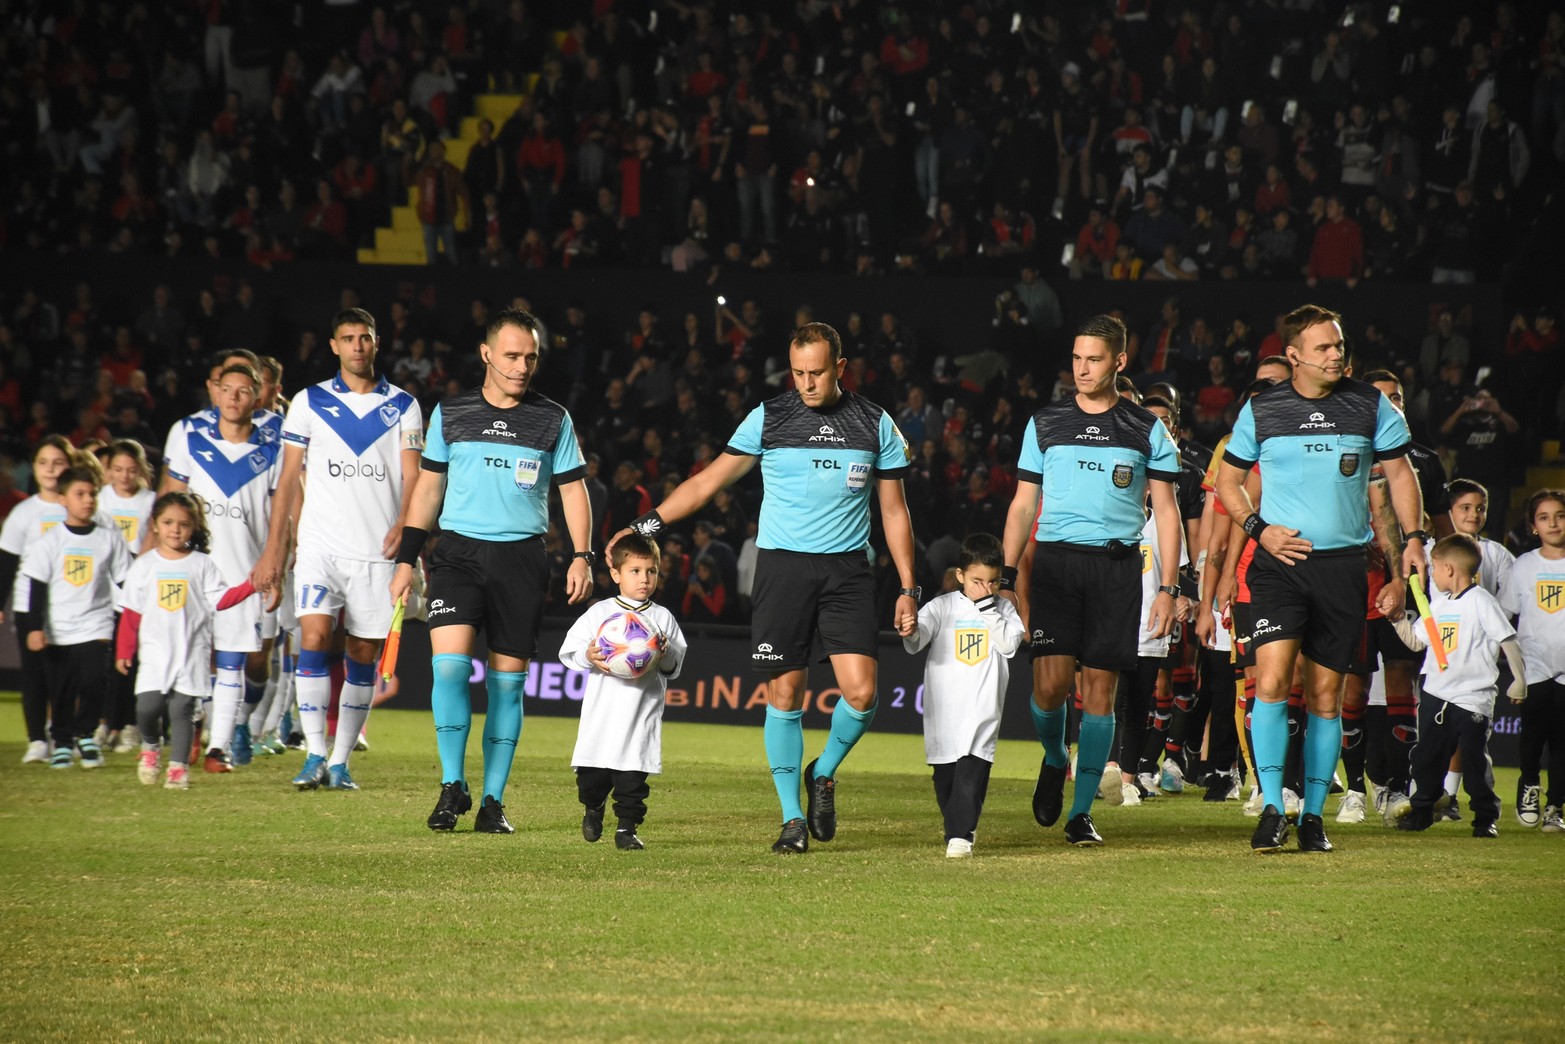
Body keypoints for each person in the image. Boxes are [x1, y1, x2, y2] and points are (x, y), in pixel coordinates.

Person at [606, 322, 921, 855]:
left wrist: (909, 586)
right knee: (784, 694)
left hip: (847, 573)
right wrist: (646, 526)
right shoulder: (770, 417)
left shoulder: (875, 422)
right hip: (782, 571)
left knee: (863, 694)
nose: (807, 382)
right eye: (798, 372)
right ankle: (792, 820)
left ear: (840, 368)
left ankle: (822, 770)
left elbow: (894, 511)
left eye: (817, 372)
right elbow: (708, 482)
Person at [1215, 304, 1427, 854]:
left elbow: (1400, 475)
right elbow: (1229, 484)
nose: (1338, 355)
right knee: (1270, 683)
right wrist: (1260, 530)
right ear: (1295, 356)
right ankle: (1269, 807)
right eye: (1325, 348)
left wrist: (1414, 541)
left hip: (1342, 568)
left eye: (1339, 345)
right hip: (1279, 567)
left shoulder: (1370, 403)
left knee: (1326, 697)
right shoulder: (1263, 410)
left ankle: (1312, 817)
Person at [390, 307, 594, 833]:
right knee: (451, 669)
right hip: (457, 554)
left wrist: (581, 555)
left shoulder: (553, 418)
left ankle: (493, 802)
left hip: (522, 559)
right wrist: (406, 559)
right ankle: (451, 785)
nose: (522, 366)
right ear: (486, 354)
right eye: (511, 355)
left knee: (507, 686)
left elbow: (573, 489)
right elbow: (428, 489)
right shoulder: (450, 413)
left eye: (530, 357)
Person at [1000, 314, 1182, 847]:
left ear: (1119, 362)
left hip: (1116, 568)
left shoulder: (1147, 430)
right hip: (1056, 566)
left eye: (1094, 359)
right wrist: (1009, 576)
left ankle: (1081, 815)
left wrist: (1169, 588)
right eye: (1077, 358)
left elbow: (1167, 513)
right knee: (1051, 687)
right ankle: (1056, 758)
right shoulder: (1045, 423)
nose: (1082, 369)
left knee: (1099, 692)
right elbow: (1021, 504)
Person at [253, 307, 423, 792]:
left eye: (364, 338)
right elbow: (288, 480)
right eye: (347, 338)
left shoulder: (405, 406)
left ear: (376, 342)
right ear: (333, 345)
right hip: (319, 547)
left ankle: (341, 761)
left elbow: (414, 476)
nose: (356, 346)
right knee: (311, 638)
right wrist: (273, 548)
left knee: (362, 652)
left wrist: (405, 527)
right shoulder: (308, 402)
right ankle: (312, 754)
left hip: (376, 551)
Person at [163, 362, 283, 772]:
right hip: (194, 571)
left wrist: (276, 563)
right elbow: (170, 504)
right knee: (192, 658)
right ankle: (196, 725)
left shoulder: (272, 450)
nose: (234, 397)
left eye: (244, 390)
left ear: (257, 397)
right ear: (215, 393)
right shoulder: (190, 440)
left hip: (246, 574)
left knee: (235, 661)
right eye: (227, 389)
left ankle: (220, 747)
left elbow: (282, 512)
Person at [115, 492, 259, 789]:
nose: (175, 529)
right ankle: (151, 747)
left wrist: (250, 586)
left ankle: (178, 769)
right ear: (155, 524)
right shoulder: (144, 565)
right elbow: (131, 612)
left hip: (192, 652)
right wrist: (125, 649)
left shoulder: (202, 564)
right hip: (155, 653)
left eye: (183, 524)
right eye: (168, 522)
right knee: (147, 708)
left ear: (194, 527)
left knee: (181, 711)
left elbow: (220, 599)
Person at [1390, 535, 1526, 837]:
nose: (1432, 576)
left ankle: (1485, 817)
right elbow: (1416, 642)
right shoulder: (1437, 606)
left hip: (1472, 698)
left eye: (1435, 569)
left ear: (1449, 569)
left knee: (1474, 760)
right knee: (1426, 757)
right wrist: (1396, 619)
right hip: (1436, 694)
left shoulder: (1481, 602)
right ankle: (1423, 810)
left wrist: (1519, 681)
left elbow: (1507, 639)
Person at [561, 533, 688, 850]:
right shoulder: (599, 613)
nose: (644, 579)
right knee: (591, 783)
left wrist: (664, 650)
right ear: (616, 574)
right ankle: (594, 806)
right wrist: (588, 656)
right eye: (635, 571)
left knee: (633, 782)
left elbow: (673, 666)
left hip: (640, 716)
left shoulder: (662, 619)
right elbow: (570, 652)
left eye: (651, 571)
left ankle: (626, 830)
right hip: (601, 718)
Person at [902, 533, 1024, 858]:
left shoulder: (1004, 610)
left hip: (983, 705)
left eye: (993, 582)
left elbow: (1010, 644)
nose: (985, 589)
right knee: (946, 778)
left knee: (973, 766)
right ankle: (957, 828)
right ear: (960, 576)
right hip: (944, 708)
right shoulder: (941, 607)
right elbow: (916, 640)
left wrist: (987, 606)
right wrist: (909, 627)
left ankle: (960, 836)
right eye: (977, 581)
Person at [16, 465, 132, 769]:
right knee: (62, 688)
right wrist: (34, 628)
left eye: (92, 494)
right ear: (63, 500)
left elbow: (126, 581)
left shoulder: (109, 538)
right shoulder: (50, 542)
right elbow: (36, 588)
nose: (88, 500)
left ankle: (86, 735)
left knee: (95, 682)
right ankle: (63, 741)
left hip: (96, 624)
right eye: (79, 494)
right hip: (58, 628)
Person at [0, 437, 98, 763]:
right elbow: (8, 564)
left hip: (76, 605)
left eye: (58, 463)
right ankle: (37, 740)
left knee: (70, 675)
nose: (50, 469)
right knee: (34, 674)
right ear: (35, 467)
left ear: (69, 467)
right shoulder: (23, 513)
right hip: (30, 602)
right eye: (43, 462)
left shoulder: (85, 508)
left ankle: (64, 735)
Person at [1501, 489, 1565, 832]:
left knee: (1562, 742)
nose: (1553, 523)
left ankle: (1556, 805)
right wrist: (1515, 673)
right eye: (1544, 517)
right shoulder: (1525, 565)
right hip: (1535, 667)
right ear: (1533, 526)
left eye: (1560, 515)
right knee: (1531, 738)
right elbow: (1503, 614)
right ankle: (1529, 787)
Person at [96, 439, 156, 751]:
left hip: (136, 589)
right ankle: (107, 723)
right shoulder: (100, 499)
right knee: (106, 664)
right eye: (118, 469)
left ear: (141, 471)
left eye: (131, 470)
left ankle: (131, 724)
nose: (124, 476)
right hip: (102, 590)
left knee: (132, 658)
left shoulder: (150, 501)